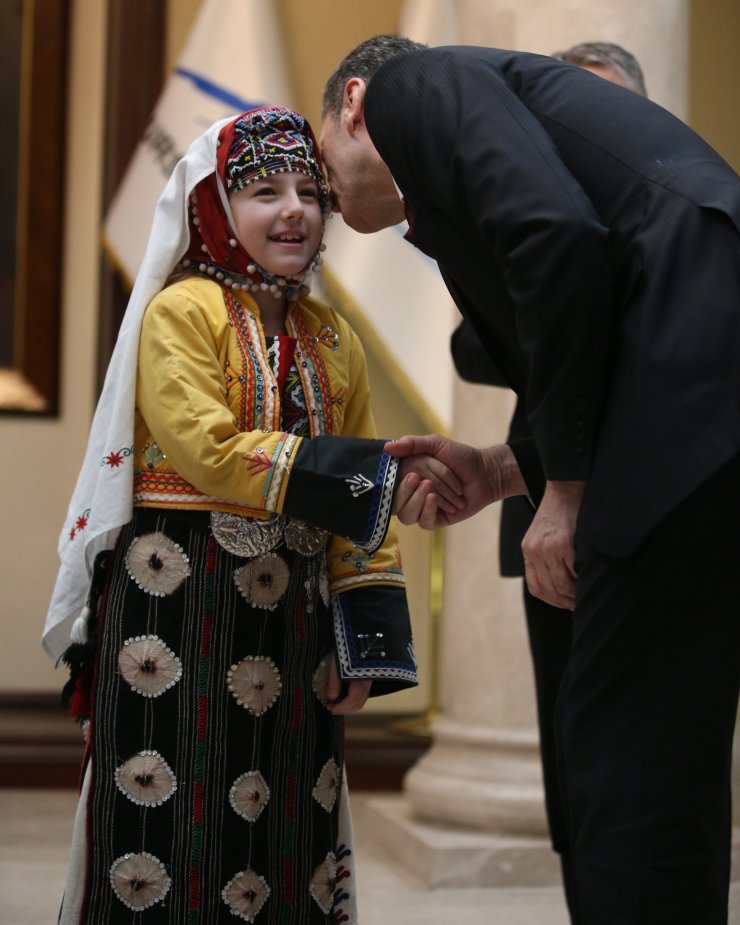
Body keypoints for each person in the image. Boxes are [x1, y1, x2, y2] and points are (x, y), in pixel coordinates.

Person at [320, 36, 740, 925]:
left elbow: (555, 234)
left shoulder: (413, 85)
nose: (320, 194)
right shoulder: (454, 145)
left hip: (696, 356)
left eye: (319, 159)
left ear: (352, 105)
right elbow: (588, 299)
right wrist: (507, 469)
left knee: (620, 761)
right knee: (666, 756)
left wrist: (569, 494)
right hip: (701, 395)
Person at [44, 106, 461, 924]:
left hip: (294, 629)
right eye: (265, 189)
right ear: (215, 207)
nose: (296, 208)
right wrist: (372, 471)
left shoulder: (330, 336)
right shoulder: (182, 311)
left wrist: (364, 639)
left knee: (285, 832)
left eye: (311, 189)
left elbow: (356, 514)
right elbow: (208, 449)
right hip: (174, 612)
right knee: (168, 826)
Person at [449, 41, 648, 914]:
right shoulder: (531, 229)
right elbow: (466, 347)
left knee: (640, 766)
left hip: (650, 520)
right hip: (544, 517)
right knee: (569, 757)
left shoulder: (664, 225)